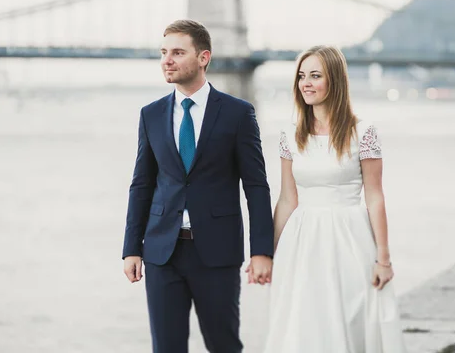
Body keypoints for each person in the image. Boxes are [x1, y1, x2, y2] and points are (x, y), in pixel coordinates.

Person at [122, 19, 274, 353]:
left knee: (224, 345)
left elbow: (256, 186)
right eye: (163, 53)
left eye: (177, 52)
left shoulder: (237, 113)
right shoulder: (150, 115)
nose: (167, 60)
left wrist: (261, 250)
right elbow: (142, 184)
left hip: (217, 253)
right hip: (162, 252)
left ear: (203, 57)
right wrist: (132, 247)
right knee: (167, 348)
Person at [263, 45, 407, 352]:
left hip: (349, 241)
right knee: (302, 324)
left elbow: (375, 197)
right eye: (302, 76)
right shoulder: (290, 135)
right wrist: (269, 253)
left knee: (350, 320)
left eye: (316, 75)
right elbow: (287, 199)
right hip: (300, 243)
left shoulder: (363, 132)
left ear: (335, 81)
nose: (306, 83)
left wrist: (384, 259)